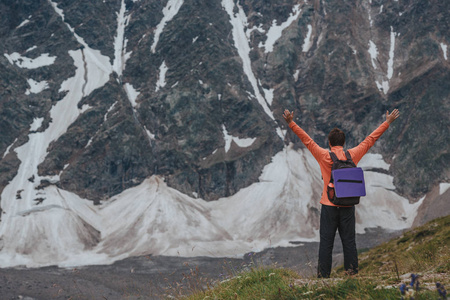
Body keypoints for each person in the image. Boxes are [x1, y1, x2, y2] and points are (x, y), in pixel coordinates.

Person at [283, 108, 400, 278]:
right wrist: (387, 122)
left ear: (329, 143)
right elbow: (370, 140)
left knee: (326, 244)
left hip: (329, 206)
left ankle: (323, 279)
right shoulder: (352, 155)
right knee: (349, 243)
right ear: (344, 143)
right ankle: (351, 276)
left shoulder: (324, 155)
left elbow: (306, 140)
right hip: (347, 205)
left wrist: (290, 122)